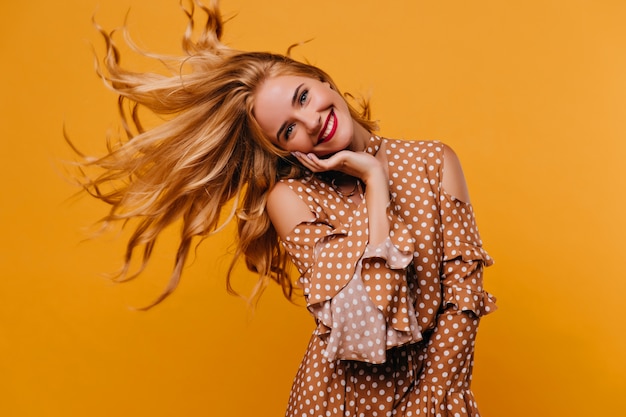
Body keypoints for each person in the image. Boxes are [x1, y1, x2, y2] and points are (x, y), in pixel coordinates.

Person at [71, 1, 496, 415]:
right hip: (339, 403)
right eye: (289, 128)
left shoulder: (435, 162)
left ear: (321, 79)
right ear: (283, 149)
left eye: (303, 96)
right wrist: (374, 182)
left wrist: (436, 398)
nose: (311, 121)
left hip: (437, 394)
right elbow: (366, 330)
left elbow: (462, 295)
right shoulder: (291, 200)